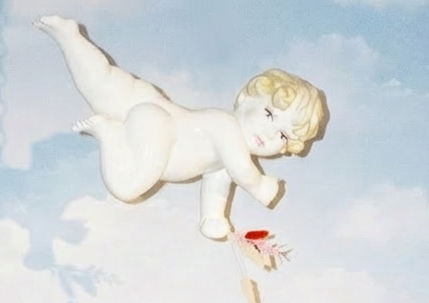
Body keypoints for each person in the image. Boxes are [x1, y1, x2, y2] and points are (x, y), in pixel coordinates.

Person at [36, 15, 324, 239]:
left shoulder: (224, 158)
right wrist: (260, 186)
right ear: (246, 98)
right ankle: (110, 133)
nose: (271, 133)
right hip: (158, 127)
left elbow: (218, 182)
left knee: (103, 83)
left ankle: (70, 38)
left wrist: (213, 217)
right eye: (270, 114)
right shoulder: (225, 126)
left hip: (156, 115)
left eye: (283, 135)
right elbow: (242, 171)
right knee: (127, 187)